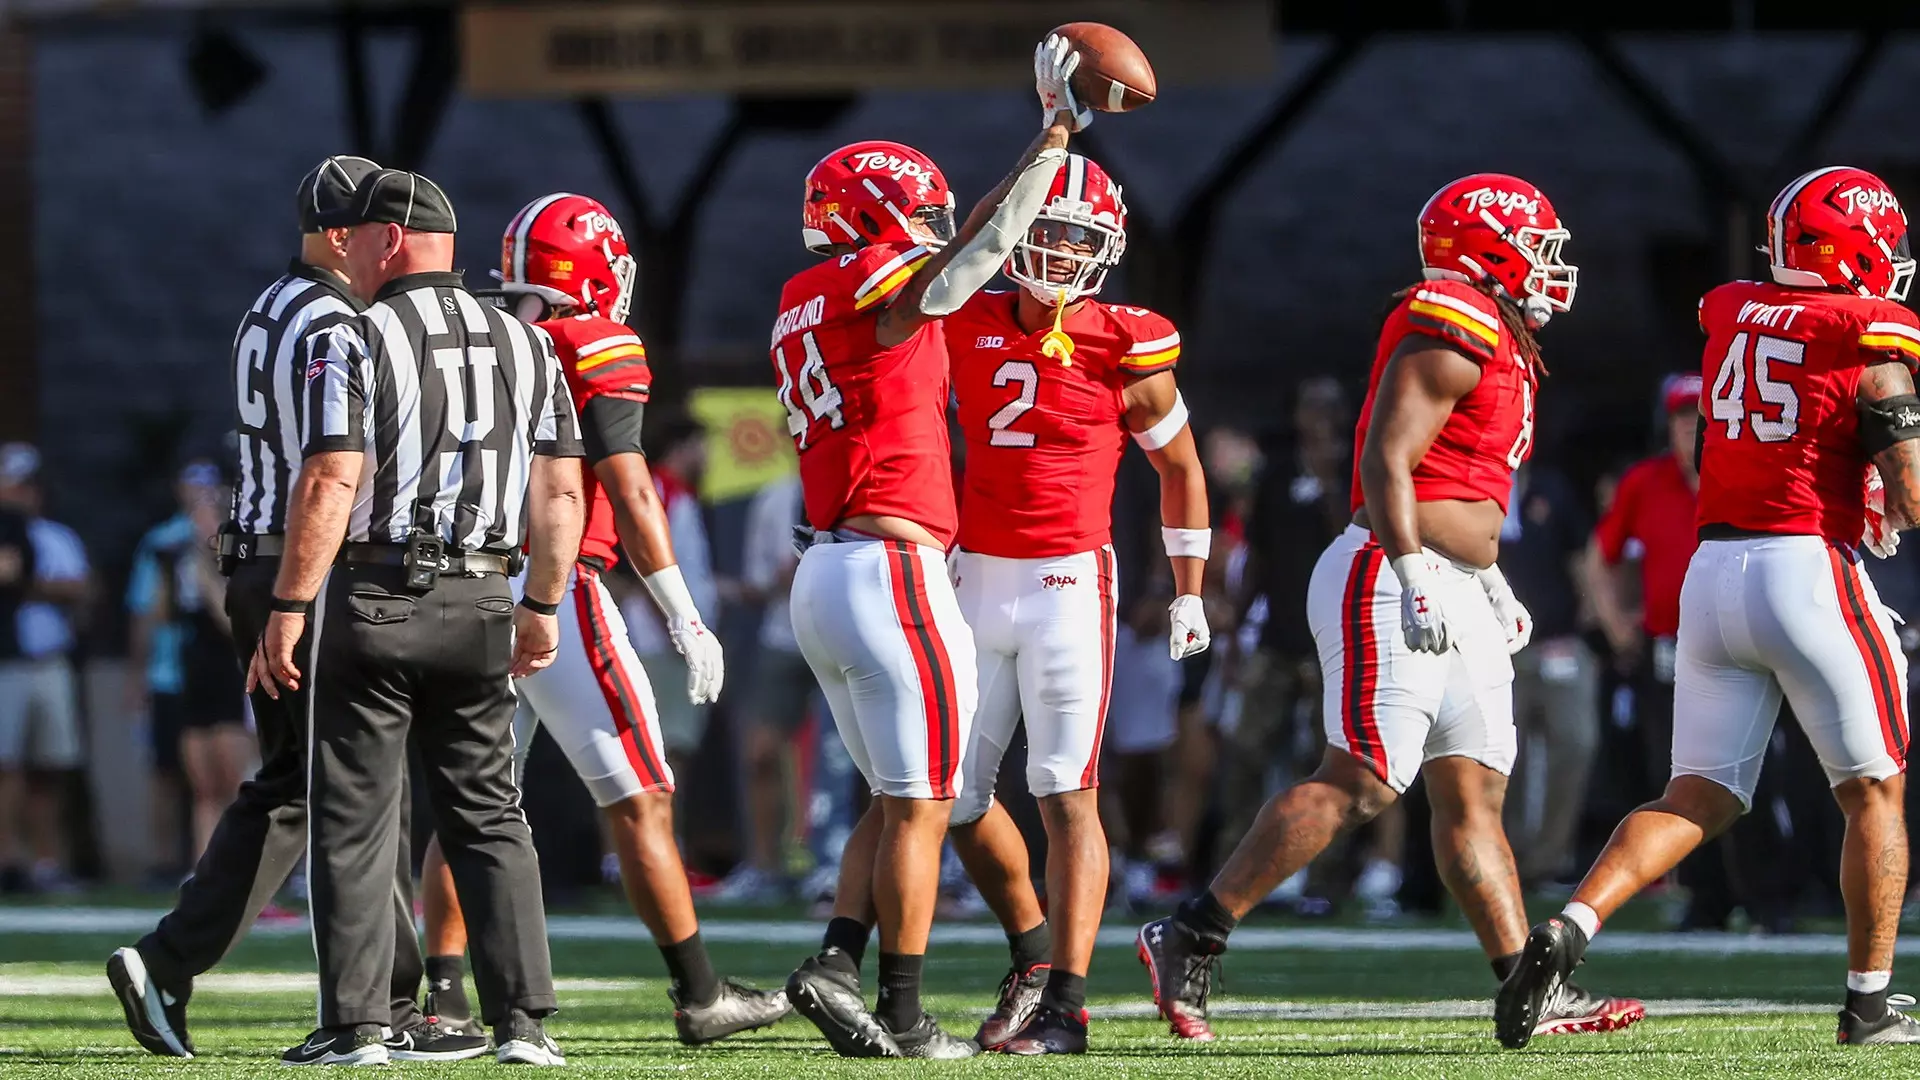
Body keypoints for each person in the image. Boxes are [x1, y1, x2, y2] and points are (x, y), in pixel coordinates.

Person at [1137, 173, 1642, 1043]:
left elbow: (1462, 483)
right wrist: (1411, 570)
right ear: (1486, 251)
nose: (1549, 265)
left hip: (1452, 577)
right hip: (1390, 568)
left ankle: (1528, 985)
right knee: (1365, 780)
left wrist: (1489, 579)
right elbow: (1386, 460)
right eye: (1535, 247)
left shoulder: (1502, 335)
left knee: (1473, 791)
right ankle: (1191, 932)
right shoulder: (1454, 315)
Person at [1497, 165, 1920, 1049]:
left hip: (1712, 574)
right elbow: (1911, 493)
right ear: (1852, 249)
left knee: (1699, 792)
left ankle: (1570, 927)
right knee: (1874, 789)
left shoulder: (1733, 313)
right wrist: (1884, 487)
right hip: (1806, 569)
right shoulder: (1869, 340)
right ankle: (1869, 1005)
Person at [110, 156, 480, 1064]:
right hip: (297, 567)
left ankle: (179, 961)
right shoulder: (334, 320)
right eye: (378, 230)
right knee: (355, 789)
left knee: (302, 784)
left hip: (263, 560)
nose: (391, 247)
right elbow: (328, 471)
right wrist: (295, 600)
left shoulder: (270, 306)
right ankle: (368, 1005)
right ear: (343, 234)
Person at [413, 192, 787, 1046]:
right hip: (555, 588)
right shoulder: (593, 342)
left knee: (475, 803)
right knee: (641, 795)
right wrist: (684, 614)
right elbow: (629, 485)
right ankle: (700, 993)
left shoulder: (476, 339)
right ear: (588, 273)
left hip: (464, 582)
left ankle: (444, 1001)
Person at [774, 36, 1084, 1060]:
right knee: (926, 802)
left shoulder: (802, 295)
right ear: (881, 219)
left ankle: (837, 963)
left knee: (902, 791)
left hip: (829, 570)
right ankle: (904, 1015)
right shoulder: (878, 276)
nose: (935, 234)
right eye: (921, 218)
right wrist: (1052, 140)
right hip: (890, 564)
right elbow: (971, 260)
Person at [247, 168, 580, 1066]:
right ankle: (523, 1022)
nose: (345, 253)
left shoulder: (353, 333)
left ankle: (360, 1025)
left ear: (388, 239)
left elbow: (331, 477)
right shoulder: (530, 343)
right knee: (490, 812)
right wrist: (542, 603)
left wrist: (288, 604)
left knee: (356, 814)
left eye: (357, 236)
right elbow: (560, 490)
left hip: (376, 593)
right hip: (484, 593)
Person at [939, 151, 1211, 1055]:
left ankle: (1068, 1004)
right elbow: (959, 257)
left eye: (1076, 238)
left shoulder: (1126, 342)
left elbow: (1181, 468)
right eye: (1045, 231)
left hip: (1067, 583)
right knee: (951, 794)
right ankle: (1032, 952)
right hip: (974, 575)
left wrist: (1189, 590)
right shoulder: (963, 314)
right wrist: (1047, 142)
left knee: (1066, 792)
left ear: (1107, 248)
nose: (1058, 252)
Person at [124, 463, 249, 866]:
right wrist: (172, 573)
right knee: (203, 787)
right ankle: (203, 870)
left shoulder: (237, 560)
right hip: (191, 675)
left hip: (231, 678)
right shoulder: (174, 555)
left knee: (235, 783)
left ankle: (242, 871)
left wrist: (204, 569)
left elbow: (231, 623)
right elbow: (161, 616)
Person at [1499, 459, 1598, 886]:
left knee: (1576, 741)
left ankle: (1550, 858)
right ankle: (1505, 855)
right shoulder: (1469, 485)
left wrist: (1588, 623)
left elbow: (1582, 558)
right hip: (1491, 647)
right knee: (1500, 756)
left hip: (1558, 643)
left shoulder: (1552, 488)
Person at [722, 472, 816, 904]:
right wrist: (780, 577)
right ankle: (764, 867)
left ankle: (841, 864)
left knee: (855, 765)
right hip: (784, 637)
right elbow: (755, 580)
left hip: (846, 636)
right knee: (759, 752)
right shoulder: (774, 497)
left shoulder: (857, 486)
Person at [0, 443, 88, 893]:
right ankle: (9, 861)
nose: (23, 493)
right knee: (7, 766)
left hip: (49, 661)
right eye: (14, 484)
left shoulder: (57, 537)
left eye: (28, 485)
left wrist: (24, 583)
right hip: (7, 664)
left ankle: (46, 864)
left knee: (50, 767)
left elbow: (81, 589)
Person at [618, 416, 719, 786]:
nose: (708, 457)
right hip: (661, 643)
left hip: (676, 641)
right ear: (683, 447)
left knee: (676, 749)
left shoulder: (681, 494)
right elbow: (643, 563)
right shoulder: (658, 490)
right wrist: (675, 630)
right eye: (703, 446)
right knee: (660, 751)